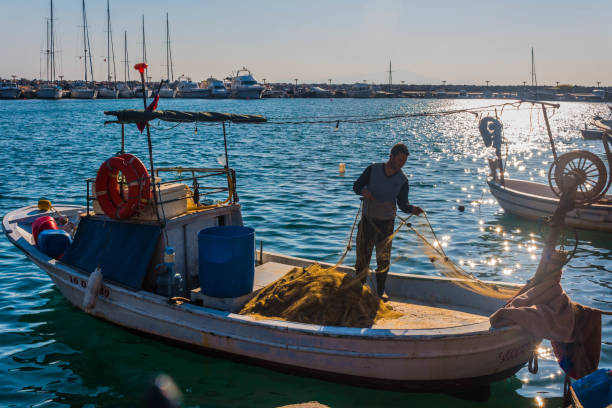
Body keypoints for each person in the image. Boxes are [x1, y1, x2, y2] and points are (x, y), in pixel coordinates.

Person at [353, 143, 423, 299]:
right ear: (391, 156)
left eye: (404, 162)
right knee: (363, 257)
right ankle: (359, 287)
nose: (401, 164)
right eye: (399, 160)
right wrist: (363, 191)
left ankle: (380, 290)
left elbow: (403, 204)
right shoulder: (373, 169)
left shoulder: (403, 180)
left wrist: (412, 209)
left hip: (386, 224)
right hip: (368, 220)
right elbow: (356, 186)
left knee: (383, 260)